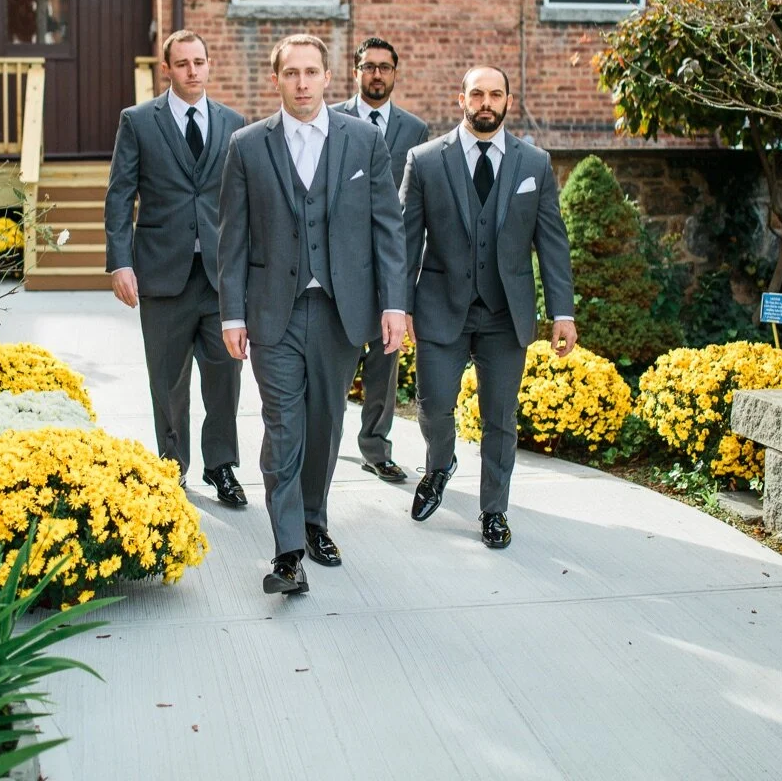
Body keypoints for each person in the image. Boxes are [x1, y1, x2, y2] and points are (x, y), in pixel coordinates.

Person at [218, 34, 407, 595]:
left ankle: (315, 521)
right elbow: (232, 239)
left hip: (341, 310)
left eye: (311, 72)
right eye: (291, 73)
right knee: (284, 427)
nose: (301, 82)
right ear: (275, 79)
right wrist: (232, 315)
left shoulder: (364, 142)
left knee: (325, 425)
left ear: (329, 78)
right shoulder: (247, 146)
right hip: (272, 310)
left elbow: (387, 228)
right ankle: (287, 553)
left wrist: (394, 303)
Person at [400, 66, 577, 548]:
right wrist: (400, 305)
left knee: (500, 417)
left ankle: (494, 510)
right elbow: (405, 240)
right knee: (434, 404)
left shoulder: (534, 164)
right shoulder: (426, 160)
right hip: (440, 307)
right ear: (461, 99)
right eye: (477, 93)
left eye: (495, 94)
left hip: (505, 314)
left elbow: (552, 243)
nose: (485, 102)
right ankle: (440, 464)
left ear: (508, 101)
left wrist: (563, 312)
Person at [104, 30, 248, 507]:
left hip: (220, 274)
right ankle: (172, 467)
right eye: (182, 63)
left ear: (210, 65)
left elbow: (246, 202)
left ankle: (222, 466)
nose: (192, 70)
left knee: (225, 377)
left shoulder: (234, 123)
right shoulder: (139, 121)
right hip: (161, 272)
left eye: (199, 61)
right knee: (167, 381)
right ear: (167, 69)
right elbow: (121, 194)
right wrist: (120, 261)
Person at [330, 37, 429, 483]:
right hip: (341, 261)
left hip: (391, 261)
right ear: (355, 71)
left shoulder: (414, 130)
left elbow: (416, 203)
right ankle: (323, 443)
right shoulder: (331, 120)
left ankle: (375, 446)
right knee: (336, 359)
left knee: (385, 359)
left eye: (385, 68)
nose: (376, 75)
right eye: (368, 67)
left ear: (395, 73)